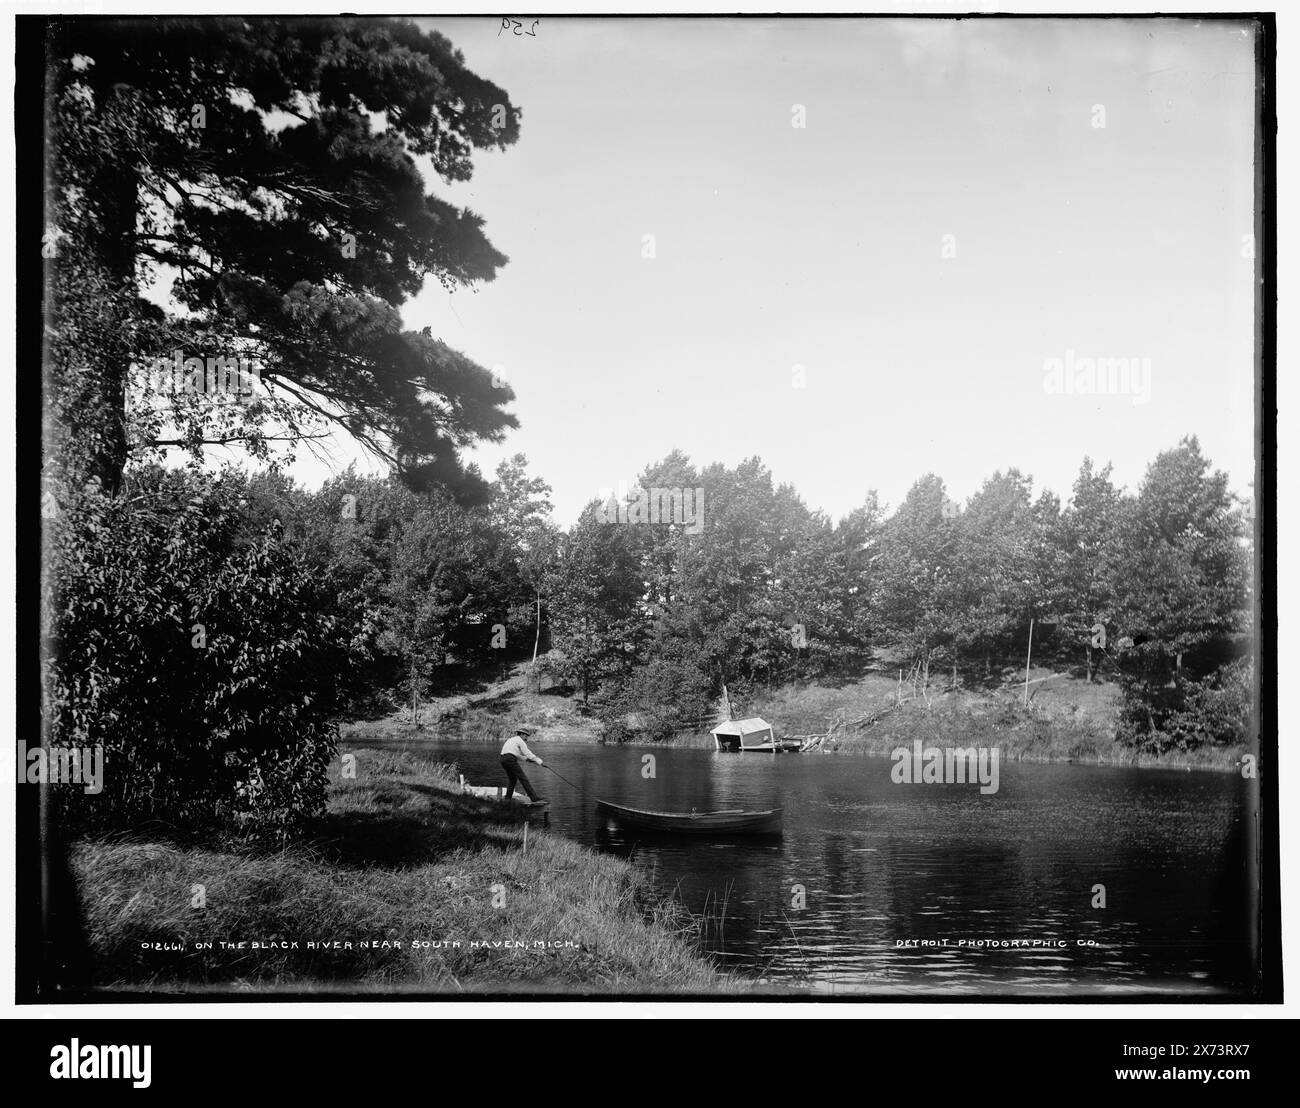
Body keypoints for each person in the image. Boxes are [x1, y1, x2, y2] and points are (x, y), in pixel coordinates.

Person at [500, 726, 546, 804]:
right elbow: (527, 753)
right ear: (521, 734)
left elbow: (516, 754)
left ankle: (508, 798)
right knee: (523, 779)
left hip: (503, 759)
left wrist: (528, 760)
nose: (526, 738)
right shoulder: (520, 740)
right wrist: (540, 762)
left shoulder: (511, 740)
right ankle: (534, 797)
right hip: (510, 760)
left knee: (512, 779)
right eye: (526, 736)